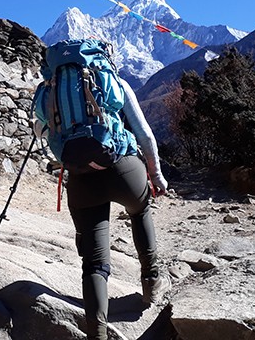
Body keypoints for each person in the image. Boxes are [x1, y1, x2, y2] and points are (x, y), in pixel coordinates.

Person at [36, 72, 171, 340]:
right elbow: (144, 134)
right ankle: (151, 283)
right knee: (140, 211)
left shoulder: (50, 89)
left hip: (81, 178)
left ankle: (97, 334)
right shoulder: (114, 82)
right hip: (123, 169)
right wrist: (156, 176)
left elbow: (41, 132)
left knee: (94, 263)